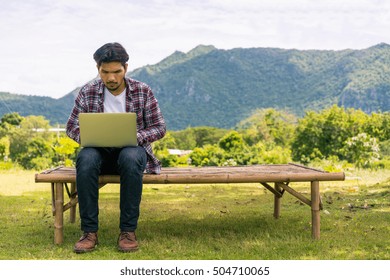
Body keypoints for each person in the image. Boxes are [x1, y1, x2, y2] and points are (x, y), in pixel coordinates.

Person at [66, 42, 166, 253]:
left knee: (130, 157)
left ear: (126, 69)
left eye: (116, 72)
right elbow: (71, 127)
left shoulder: (142, 90)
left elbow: (159, 127)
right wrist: (87, 136)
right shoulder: (88, 91)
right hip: (99, 154)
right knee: (86, 158)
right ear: (98, 69)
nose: (111, 78)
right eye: (105, 72)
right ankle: (89, 232)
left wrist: (134, 136)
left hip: (132, 152)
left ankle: (128, 231)